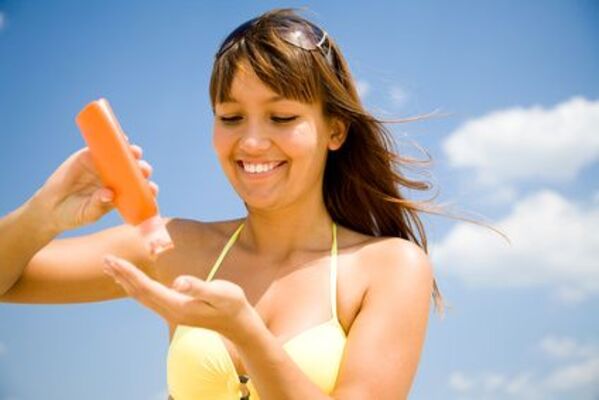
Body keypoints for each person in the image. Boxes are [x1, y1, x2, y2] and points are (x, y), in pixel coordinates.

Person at [1, 8, 448, 400]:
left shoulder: (389, 266)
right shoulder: (173, 247)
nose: (251, 142)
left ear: (336, 130)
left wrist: (247, 335)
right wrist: (42, 215)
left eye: (282, 117)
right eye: (230, 117)